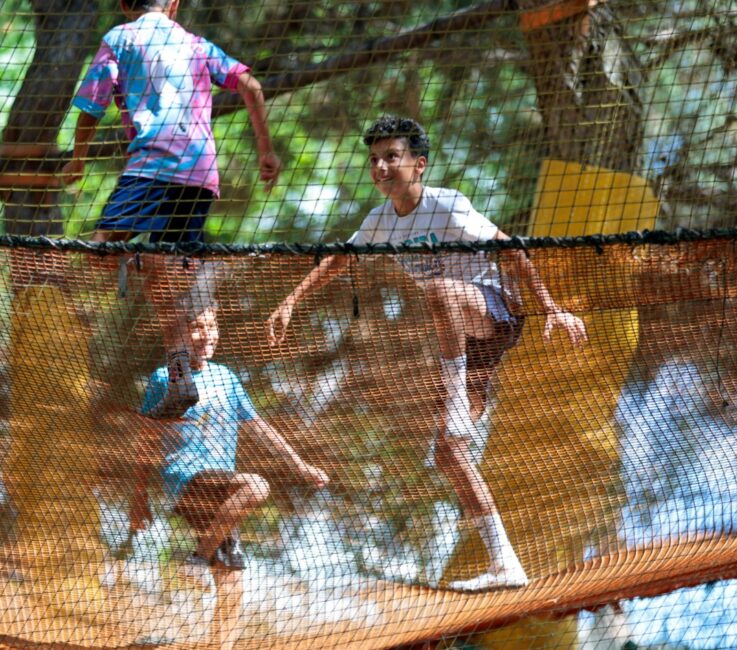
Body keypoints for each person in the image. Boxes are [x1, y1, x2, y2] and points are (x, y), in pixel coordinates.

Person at [266, 115, 588, 592]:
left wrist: (550, 308)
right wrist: (290, 301)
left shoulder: (448, 206)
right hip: (464, 344)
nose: (380, 166)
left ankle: (456, 396)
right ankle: (506, 563)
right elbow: (340, 258)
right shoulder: (378, 223)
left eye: (391, 156)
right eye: (374, 159)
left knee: (439, 292)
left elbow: (511, 250)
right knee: (449, 454)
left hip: (493, 312)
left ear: (418, 164)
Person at [62, 0, 280, 419]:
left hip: (151, 165)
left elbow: (91, 104)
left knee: (101, 251)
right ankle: (181, 378)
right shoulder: (197, 44)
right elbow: (250, 85)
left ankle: (169, 268)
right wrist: (266, 151)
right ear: (175, 4)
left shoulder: (120, 39)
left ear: (125, 4)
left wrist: (78, 159)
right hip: (199, 174)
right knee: (165, 272)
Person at [127, 306, 329, 592]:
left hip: (224, 486)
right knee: (257, 486)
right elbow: (147, 437)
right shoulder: (169, 376)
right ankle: (197, 559)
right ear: (181, 334)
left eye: (212, 327)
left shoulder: (226, 377)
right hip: (187, 479)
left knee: (232, 579)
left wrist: (300, 465)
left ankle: (217, 625)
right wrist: (139, 495)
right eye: (197, 327)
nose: (206, 335)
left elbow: (258, 426)